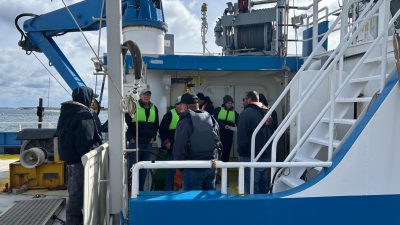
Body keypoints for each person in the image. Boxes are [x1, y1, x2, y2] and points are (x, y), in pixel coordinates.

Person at [57, 86, 102, 225]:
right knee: (78, 195)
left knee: (74, 193)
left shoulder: (66, 112)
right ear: (87, 97)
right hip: (80, 162)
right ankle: (73, 222)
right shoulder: (83, 114)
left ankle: (75, 220)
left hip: (69, 161)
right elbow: (86, 141)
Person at [173, 93, 222, 190]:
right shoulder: (211, 118)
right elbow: (218, 142)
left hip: (192, 168)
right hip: (210, 166)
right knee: (208, 200)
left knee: (192, 202)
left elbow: (179, 147)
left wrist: (180, 167)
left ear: (185, 106)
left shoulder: (185, 121)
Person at [237, 91, 272, 194]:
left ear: (249, 100)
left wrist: (241, 152)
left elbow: (242, 136)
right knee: (263, 185)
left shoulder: (245, 113)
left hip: (250, 156)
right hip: (265, 155)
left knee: (251, 188)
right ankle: (265, 207)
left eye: (244, 99)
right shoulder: (267, 113)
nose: (243, 102)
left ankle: (253, 209)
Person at [125, 89, 159, 191]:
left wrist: (153, 137)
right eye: (144, 94)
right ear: (140, 96)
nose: (146, 96)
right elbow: (126, 123)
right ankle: (132, 190)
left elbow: (156, 124)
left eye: (148, 95)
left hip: (147, 143)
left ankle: (140, 190)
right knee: (134, 168)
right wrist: (130, 138)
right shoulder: (134, 106)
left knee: (144, 168)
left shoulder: (154, 108)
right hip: (135, 143)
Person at [159, 96, 182, 190]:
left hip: (183, 148)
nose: (182, 106)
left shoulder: (188, 115)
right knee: (171, 170)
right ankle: (168, 189)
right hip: (172, 148)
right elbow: (162, 130)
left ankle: (180, 189)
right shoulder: (169, 115)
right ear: (176, 105)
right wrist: (166, 143)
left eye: (183, 105)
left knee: (183, 170)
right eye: (180, 104)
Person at [214, 95, 239, 162]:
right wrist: (223, 126)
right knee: (217, 151)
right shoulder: (218, 110)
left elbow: (239, 123)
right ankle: (217, 168)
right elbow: (214, 120)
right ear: (224, 103)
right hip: (218, 135)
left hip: (228, 136)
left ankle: (225, 168)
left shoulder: (235, 113)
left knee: (226, 152)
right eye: (228, 103)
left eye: (231, 103)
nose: (230, 105)